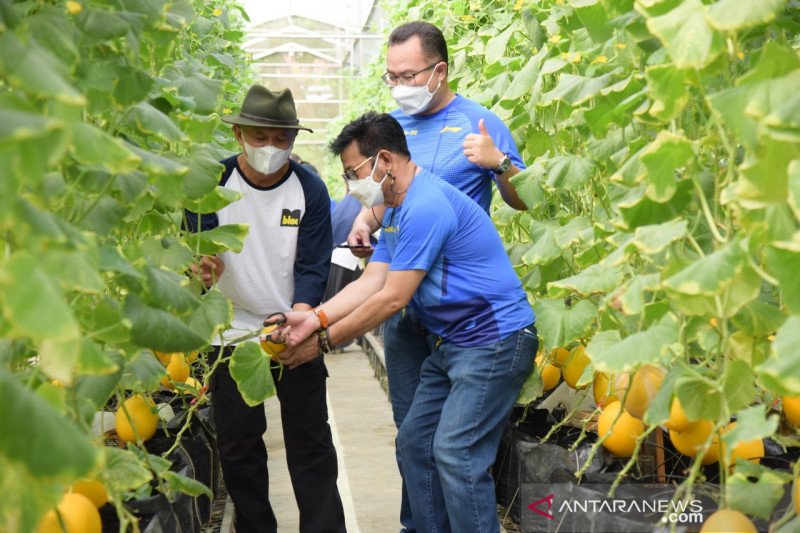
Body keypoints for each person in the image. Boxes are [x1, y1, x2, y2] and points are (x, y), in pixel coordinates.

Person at [267, 112, 538, 533]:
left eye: (354, 173)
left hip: (495, 342)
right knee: (415, 443)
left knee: (456, 452)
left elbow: (393, 298)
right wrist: (311, 318)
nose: (351, 185)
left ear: (384, 161)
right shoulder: (396, 209)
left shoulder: (425, 206)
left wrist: (320, 343)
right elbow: (373, 280)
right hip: (455, 345)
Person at [346, 21, 529, 532]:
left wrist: (499, 166)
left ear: (439, 70)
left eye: (409, 74)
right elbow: (386, 196)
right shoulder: (390, 130)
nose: (400, 85)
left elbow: (527, 200)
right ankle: (420, 524)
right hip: (406, 303)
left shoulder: (479, 124)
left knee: (455, 446)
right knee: (413, 433)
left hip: (460, 309)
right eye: (391, 76)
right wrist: (364, 220)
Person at [185, 84, 346, 533]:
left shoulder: (309, 189)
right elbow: (194, 252)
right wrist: (197, 272)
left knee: (310, 442)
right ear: (239, 134)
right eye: (259, 137)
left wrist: (300, 320)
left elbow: (313, 265)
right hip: (231, 333)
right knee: (239, 447)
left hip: (292, 328)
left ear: (293, 141)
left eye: (281, 139)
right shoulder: (213, 184)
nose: (270, 148)